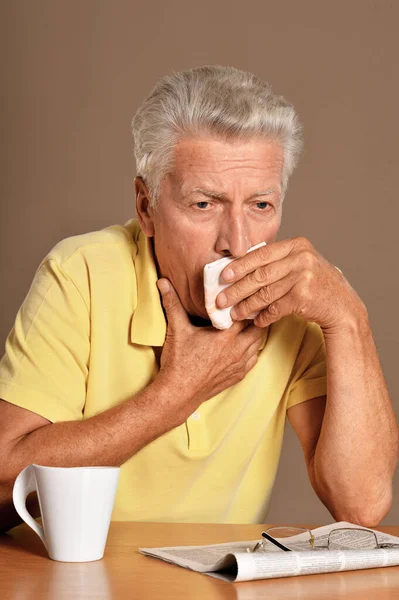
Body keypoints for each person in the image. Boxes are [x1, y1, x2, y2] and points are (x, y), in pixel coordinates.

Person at [0, 66, 397, 533]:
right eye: (204, 204)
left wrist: (348, 316)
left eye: (261, 205)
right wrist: (178, 393)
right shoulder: (81, 273)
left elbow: (362, 507)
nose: (236, 240)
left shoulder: (298, 300)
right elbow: (5, 480)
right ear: (146, 207)